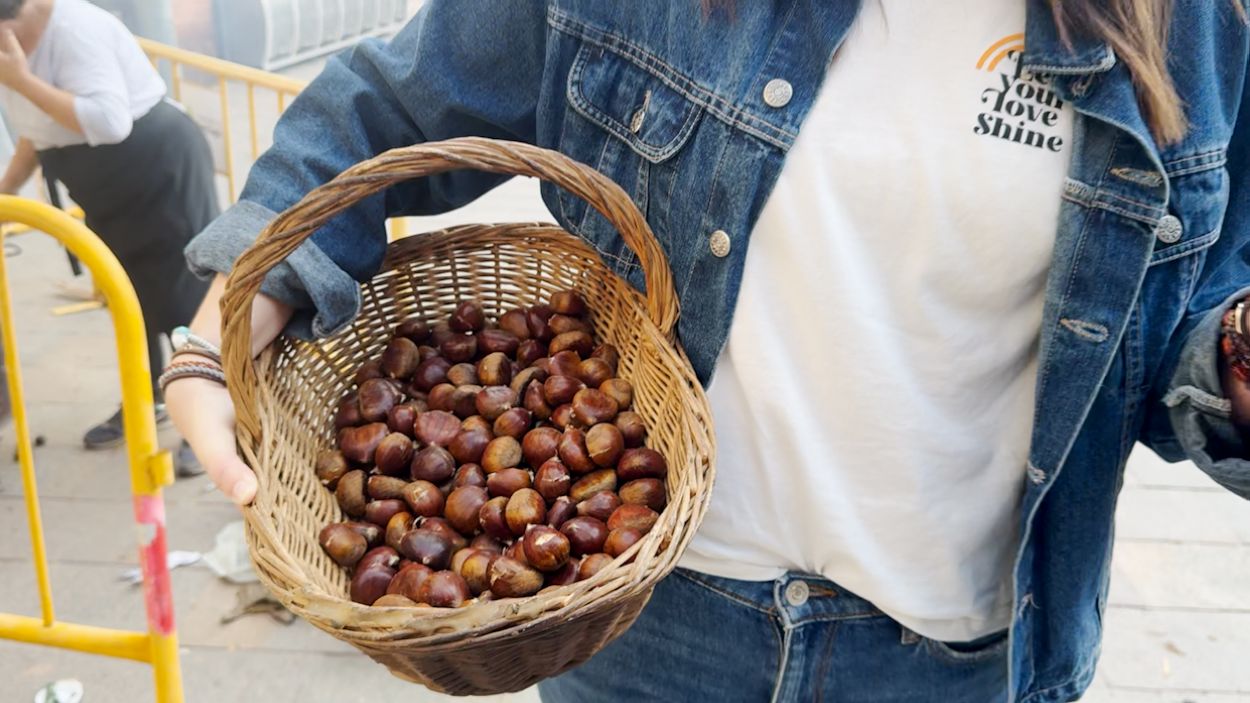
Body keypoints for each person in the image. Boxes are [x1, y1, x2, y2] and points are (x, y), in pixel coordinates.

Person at [166, 1, 1250, 700]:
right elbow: (387, 108)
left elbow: (1187, 333)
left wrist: (1231, 363)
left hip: (959, 652)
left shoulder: (1190, 27)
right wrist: (235, 312)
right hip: (649, 620)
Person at [0, 0, 215, 475]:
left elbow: (109, 120)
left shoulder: (74, 30)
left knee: (185, 305)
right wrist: (7, 190)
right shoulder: (17, 45)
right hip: (105, 187)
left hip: (156, 172)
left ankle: (213, 424)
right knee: (129, 302)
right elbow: (38, 132)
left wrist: (21, 81)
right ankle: (146, 400)